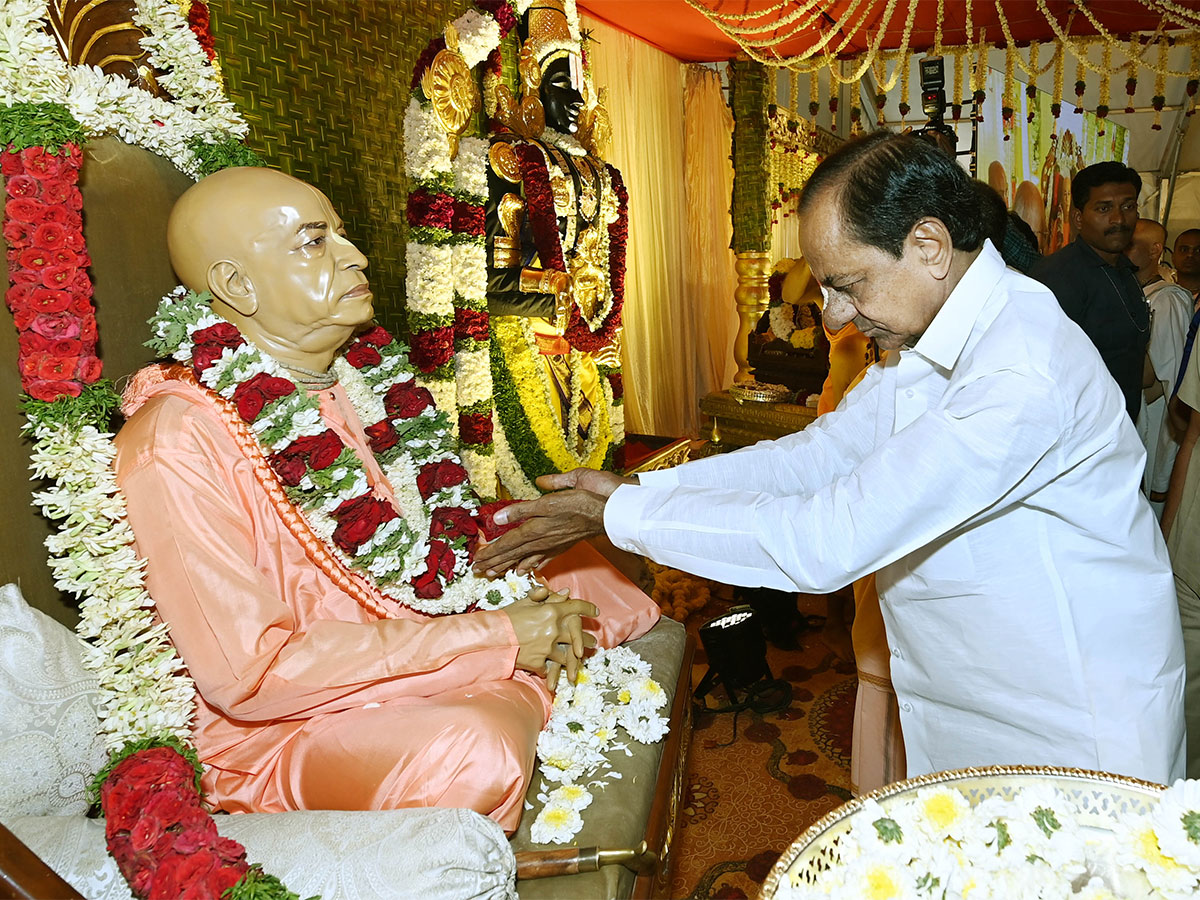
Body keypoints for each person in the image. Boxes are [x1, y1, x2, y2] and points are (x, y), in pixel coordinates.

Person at [475, 131, 1186, 785]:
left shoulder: (1017, 367)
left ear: (930, 246)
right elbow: (818, 456)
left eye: (848, 284)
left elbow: (827, 537)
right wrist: (633, 488)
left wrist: (621, 515)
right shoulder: (934, 335)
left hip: (1069, 713)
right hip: (969, 689)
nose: (837, 317)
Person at [113, 166, 659, 831]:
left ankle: (516, 671)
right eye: (316, 241)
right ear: (236, 285)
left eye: (341, 235)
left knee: (596, 571)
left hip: (409, 625)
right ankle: (514, 676)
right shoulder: (174, 440)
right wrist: (498, 635)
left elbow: (422, 538)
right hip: (289, 718)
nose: (357, 256)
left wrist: (495, 596)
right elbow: (251, 678)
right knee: (473, 750)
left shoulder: (351, 374)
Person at [1030, 161, 1149, 423]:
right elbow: (1038, 373)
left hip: (1118, 431)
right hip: (1075, 439)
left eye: (1128, 206)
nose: (1119, 219)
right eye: (1104, 208)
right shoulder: (1060, 276)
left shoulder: (1124, 270)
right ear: (1079, 218)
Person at [1127, 218, 1193, 515]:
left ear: (1155, 250)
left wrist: (1165, 469)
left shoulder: (1168, 300)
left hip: (1157, 428)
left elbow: (1172, 383)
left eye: (1133, 243)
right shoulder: (1131, 293)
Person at [1174, 228, 1200, 303]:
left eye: (1198, 250)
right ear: (1173, 256)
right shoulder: (1163, 294)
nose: (1190, 255)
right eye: (1184, 249)